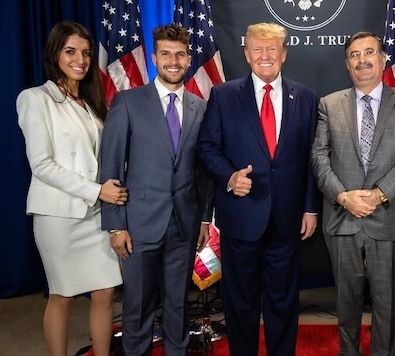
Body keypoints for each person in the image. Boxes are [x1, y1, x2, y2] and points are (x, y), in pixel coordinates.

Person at [196, 22, 319, 355]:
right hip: (240, 218)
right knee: (240, 303)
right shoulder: (223, 95)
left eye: (272, 49)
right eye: (257, 49)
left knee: (283, 302)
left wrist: (310, 207)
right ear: (246, 54)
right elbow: (207, 148)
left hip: (287, 219)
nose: (265, 56)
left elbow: (312, 157)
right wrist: (230, 176)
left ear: (284, 54)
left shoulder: (305, 97)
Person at [99, 24, 212, 356]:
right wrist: (116, 225)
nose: (173, 61)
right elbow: (111, 169)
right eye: (166, 54)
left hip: (185, 223)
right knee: (138, 303)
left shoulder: (200, 107)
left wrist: (205, 219)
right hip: (139, 223)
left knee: (179, 303)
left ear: (189, 59)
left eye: (179, 54)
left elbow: (203, 171)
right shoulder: (128, 102)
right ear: (154, 58)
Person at [16, 21, 127, 356]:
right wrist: (97, 192)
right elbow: (42, 165)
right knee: (62, 294)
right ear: (55, 54)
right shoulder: (35, 99)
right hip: (60, 216)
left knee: (106, 292)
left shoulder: (93, 103)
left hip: (96, 216)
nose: (80, 59)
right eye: (70, 51)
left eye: (86, 52)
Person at [311, 31, 395, 356]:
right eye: (354, 55)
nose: (362, 60)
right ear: (347, 64)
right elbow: (319, 157)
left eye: (369, 52)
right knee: (345, 301)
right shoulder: (329, 105)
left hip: (388, 217)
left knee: (387, 302)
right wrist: (343, 197)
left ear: (382, 58)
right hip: (343, 217)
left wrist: (378, 194)